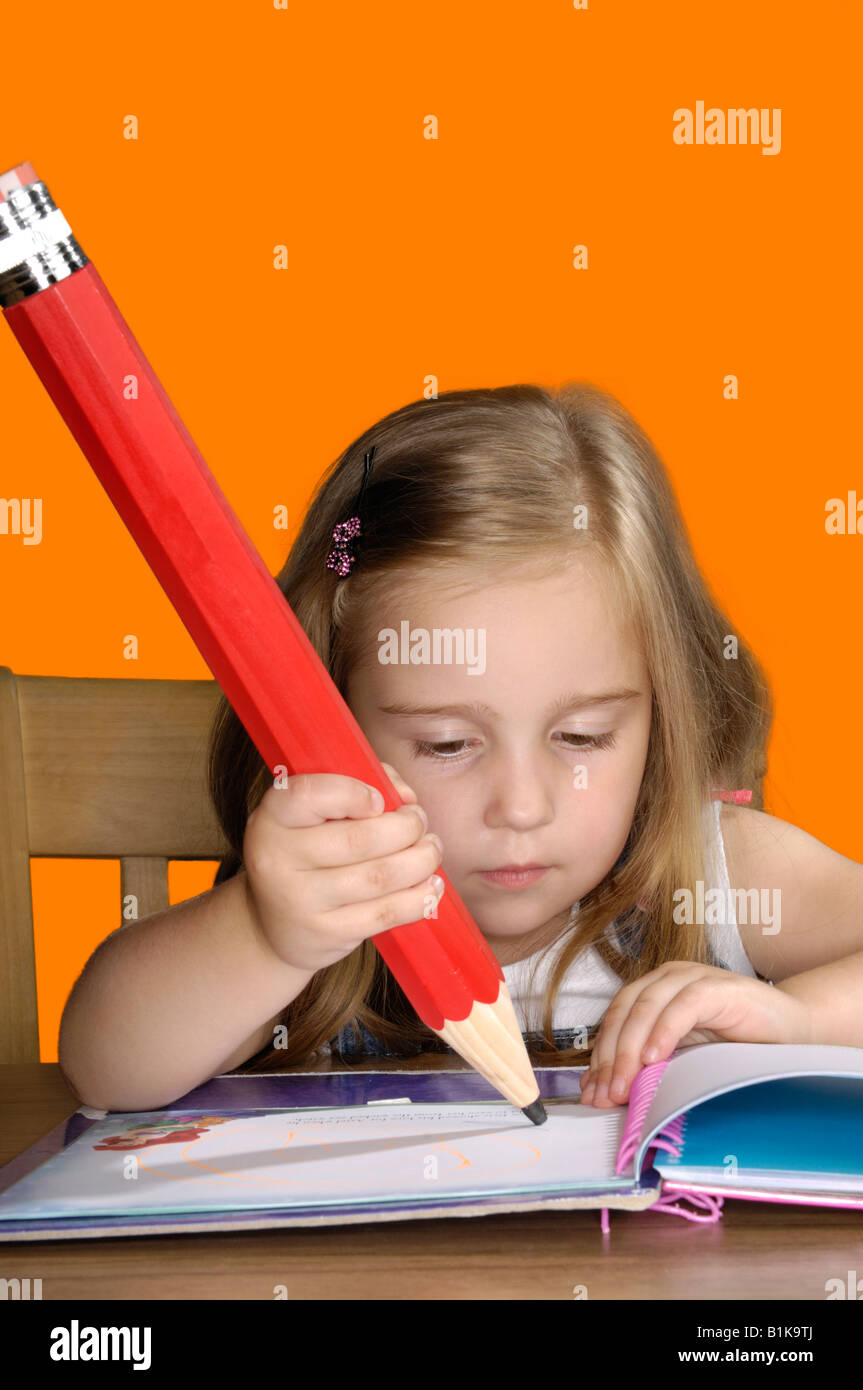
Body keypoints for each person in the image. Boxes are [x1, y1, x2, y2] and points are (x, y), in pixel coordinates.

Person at [58, 382, 863, 1114]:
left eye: (582, 736)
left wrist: (798, 1018)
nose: (520, 804)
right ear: (324, 718)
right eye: (446, 744)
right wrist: (267, 936)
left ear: (662, 709)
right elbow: (105, 1069)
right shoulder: (326, 887)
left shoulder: (714, 870)